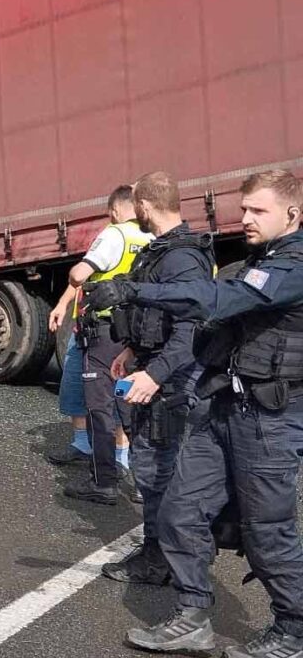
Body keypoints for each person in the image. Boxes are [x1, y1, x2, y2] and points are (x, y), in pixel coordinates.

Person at [84, 170, 303, 658]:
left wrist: (131, 292)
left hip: (270, 420)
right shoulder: (262, 258)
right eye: (243, 208)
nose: (243, 218)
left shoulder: (293, 266)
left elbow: (217, 299)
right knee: (180, 509)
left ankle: (294, 630)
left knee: (268, 531)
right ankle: (192, 615)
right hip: (223, 409)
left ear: (292, 214)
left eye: (257, 211)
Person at [100, 171, 215, 585]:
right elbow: (157, 315)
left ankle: (161, 558)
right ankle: (160, 550)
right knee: (153, 468)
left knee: (158, 470)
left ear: (145, 206)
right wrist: (132, 350)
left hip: (173, 381)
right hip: (156, 367)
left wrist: (154, 374)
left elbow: (191, 329)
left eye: (137, 209)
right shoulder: (163, 252)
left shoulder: (181, 257)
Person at [49, 186, 150, 499]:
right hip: (132, 337)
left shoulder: (114, 235)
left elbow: (81, 275)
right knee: (127, 402)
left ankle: (104, 481)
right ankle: (147, 482)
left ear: (116, 210)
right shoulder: (152, 239)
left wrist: (74, 274)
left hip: (104, 335)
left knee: (100, 406)